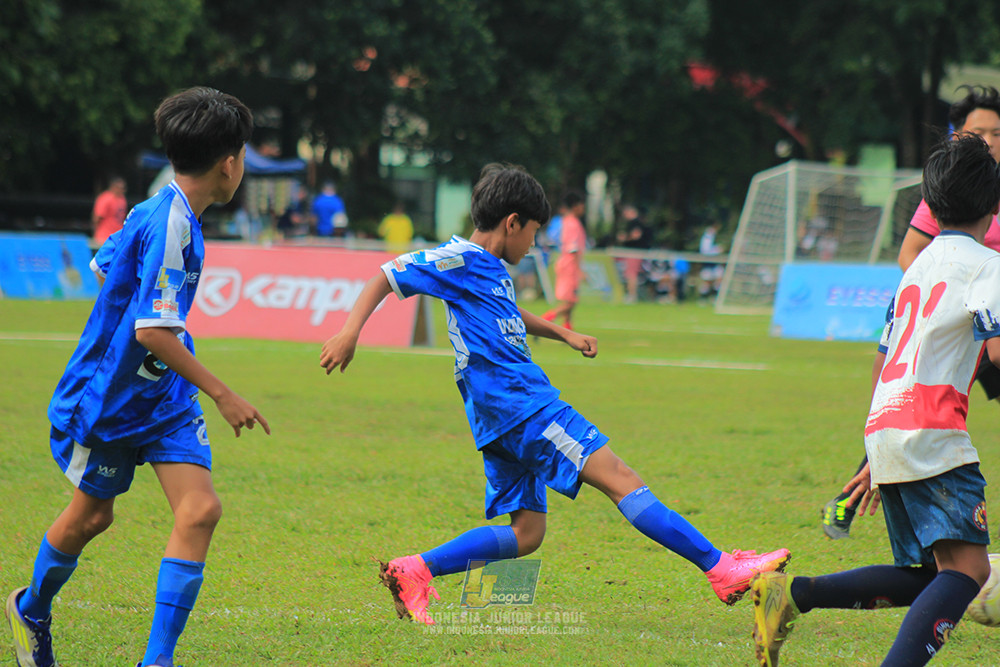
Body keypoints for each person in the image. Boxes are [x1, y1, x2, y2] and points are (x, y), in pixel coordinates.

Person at [319, 163, 791, 626]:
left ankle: (414, 570)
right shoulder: (457, 259)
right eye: (534, 233)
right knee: (620, 477)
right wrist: (349, 333)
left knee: (527, 534)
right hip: (523, 405)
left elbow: (506, 312)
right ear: (511, 223)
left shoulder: (487, 267)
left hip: (495, 418)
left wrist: (562, 334)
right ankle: (722, 569)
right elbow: (387, 273)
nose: (534, 244)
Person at [4, 87, 271, 667]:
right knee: (93, 515)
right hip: (109, 403)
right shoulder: (167, 221)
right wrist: (221, 392)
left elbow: (107, 268)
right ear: (229, 162)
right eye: (244, 156)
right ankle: (32, 608)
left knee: (200, 510)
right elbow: (152, 330)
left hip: (163, 396)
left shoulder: (159, 209)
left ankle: (157, 661)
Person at [752, 134, 1000, 667]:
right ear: (995, 204)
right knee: (968, 573)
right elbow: (997, 349)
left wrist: (877, 451)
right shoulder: (988, 265)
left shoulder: (918, 266)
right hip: (932, 430)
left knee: (936, 575)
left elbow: (888, 354)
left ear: (932, 205)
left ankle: (793, 595)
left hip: (889, 422)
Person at [821, 84, 1000, 540]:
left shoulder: (985, 187)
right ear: (958, 135)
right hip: (956, 323)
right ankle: (855, 490)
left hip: (988, 319)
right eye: (979, 131)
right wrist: (949, 290)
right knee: (912, 407)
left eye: (997, 132)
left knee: (912, 411)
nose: (991, 141)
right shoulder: (956, 188)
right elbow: (912, 254)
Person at [542, 191, 587, 329]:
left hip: (565, 263)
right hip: (570, 266)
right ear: (575, 206)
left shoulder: (566, 221)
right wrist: (579, 270)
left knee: (569, 300)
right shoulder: (573, 224)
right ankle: (543, 321)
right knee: (569, 303)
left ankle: (567, 328)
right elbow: (572, 249)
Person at [617, 204, 651, 303]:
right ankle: (632, 294)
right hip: (636, 251)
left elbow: (636, 236)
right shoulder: (639, 222)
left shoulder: (635, 223)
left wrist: (625, 238)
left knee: (631, 274)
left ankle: (632, 295)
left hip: (634, 252)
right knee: (632, 273)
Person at [91, 176, 127, 247]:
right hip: (104, 237)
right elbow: (97, 218)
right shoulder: (105, 198)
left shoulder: (122, 199)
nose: (122, 190)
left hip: (117, 237)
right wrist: (95, 234)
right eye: (120, 188)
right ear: (113, 187)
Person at [697, 222, 724, 300]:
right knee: (707, 281)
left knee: (719, 278)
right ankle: (703, 297)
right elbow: (705, 251)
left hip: (714, 262)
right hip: (709, 262)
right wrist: (717, 250)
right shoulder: (707, 238)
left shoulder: (712, 237)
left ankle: (715, 296)